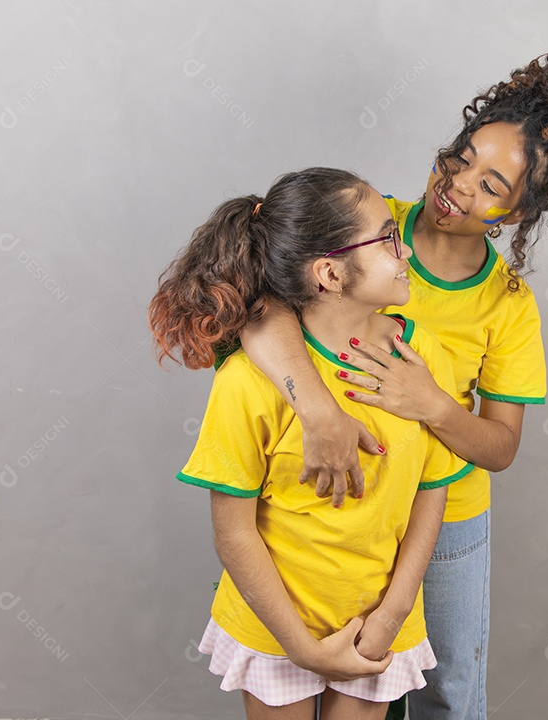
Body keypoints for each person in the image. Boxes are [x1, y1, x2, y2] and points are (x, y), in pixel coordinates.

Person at [224, 53, 548, 719]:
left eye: (491, 184)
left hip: (444, 516)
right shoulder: (370, 232)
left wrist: (429, 403)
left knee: (446, 692)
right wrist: (318, 412)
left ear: (519, 211)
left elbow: (500, 446)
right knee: (336, 677)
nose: (457, 184)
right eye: (461, 157)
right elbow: (260, 314)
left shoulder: (508, 306)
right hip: (345, 505)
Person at [148, 167, 474, 719]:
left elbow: (430, 492)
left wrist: (392, 615)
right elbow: (234, 531)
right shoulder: (247, 383)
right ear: (329, 273)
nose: (407, 254)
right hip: (276, 626)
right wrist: (300, 646)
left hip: (377, 622)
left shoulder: (425, 359)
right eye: (389, 239)